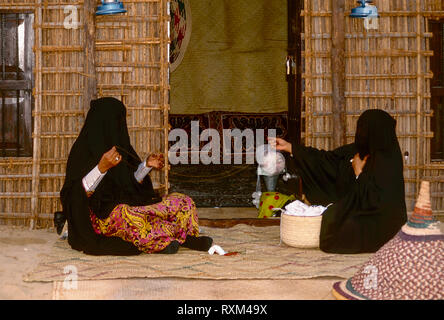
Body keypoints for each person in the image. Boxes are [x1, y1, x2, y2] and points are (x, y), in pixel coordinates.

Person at [60, 97, 212, 256]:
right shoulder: (82, 151)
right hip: (103, 216)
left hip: (132, 203)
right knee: (128, 215)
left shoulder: (121, 145)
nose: (118, 126)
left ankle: (183, 237)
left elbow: (128, 184)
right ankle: (161, 241)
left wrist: (146, 166)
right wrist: (101, 168)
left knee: (183, 202)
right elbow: (74, 194)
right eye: (113, 121)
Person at [269, 109, 407, 254]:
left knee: (343, 229)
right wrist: (290, 147)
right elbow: (327, 160)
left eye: (364, 130)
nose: (360, 134)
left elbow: (376, 200)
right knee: (332, 217)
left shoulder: (388, 161)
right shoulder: (358, 150)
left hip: (382, 221)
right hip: (361, 211)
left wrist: (359, 172)